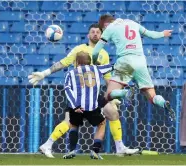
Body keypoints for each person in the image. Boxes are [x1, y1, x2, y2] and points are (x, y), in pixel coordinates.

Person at [28, 23, 139, 158]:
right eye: (92, 32)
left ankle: (120, 147)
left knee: (113, 113)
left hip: (94, 94)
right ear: (88, 35)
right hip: (78, 93)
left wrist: (112, 97)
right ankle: (48, 145)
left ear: (102, 36)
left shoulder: (103, 54)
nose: (95, 34)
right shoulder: (79, 49)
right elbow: (63, 62)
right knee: (69, 122)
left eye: (98, 32)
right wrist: (45, 73)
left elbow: (108, 78)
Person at [92, 14, 175, 120]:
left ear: (104, 25)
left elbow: (95, 52)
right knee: (152, 97)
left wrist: (95, 62)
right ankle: (164, 103)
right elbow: (151, 35)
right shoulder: (132, 23)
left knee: (108, 95)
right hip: (140, 62)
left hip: (124, 62)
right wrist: (163, 33)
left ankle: (125, 92)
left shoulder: (110, 28)